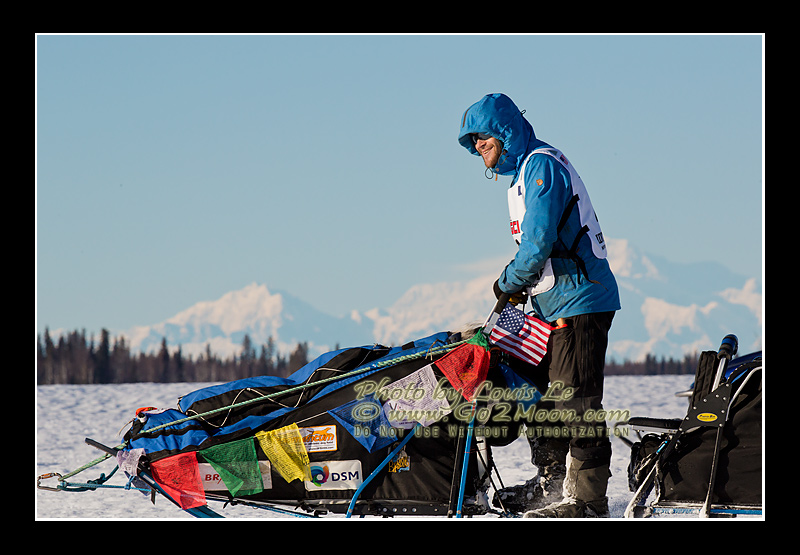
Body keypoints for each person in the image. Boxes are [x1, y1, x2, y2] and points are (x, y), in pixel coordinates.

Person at [458, 93, 621, 518]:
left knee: (575, 402)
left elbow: (536, 245)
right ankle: (551, 484)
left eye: (483, 136)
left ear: (506, 130)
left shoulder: (541, 165)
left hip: (580, 299)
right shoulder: (521, 176)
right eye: (473, 140)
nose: (478, 146)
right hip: (550, 303)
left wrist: (506, 283)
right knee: (537, 396)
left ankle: (587, 500)